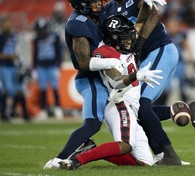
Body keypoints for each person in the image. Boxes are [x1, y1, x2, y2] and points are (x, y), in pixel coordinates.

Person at [101, 0, 195, 165]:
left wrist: (139, 43)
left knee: (140, 104)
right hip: (146, 58)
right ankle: (183, 113)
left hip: (160, 49)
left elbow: (153, 12)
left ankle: (169, 155)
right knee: (135, 106)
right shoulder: (109, 9)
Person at [59, 14, 163, 170]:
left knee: (144, 163)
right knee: (125, 145)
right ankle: (78, 160)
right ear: (113, 38)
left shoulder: (123, 45)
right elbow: (117, 80)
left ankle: (91, 149)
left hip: (131, 108)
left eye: (129, 36)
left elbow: (141, 23)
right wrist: (136, 75)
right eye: (124, 38)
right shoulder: (106, 53)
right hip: (120, 103)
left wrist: (148, 6)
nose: (129, 40)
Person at [43, 0, 122, 169]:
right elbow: (83, 62)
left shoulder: (97, 15)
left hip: (104, 77)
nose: (99, 4)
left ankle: (85, 146)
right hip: (91, 79)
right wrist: (111, 61)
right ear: (82, 4)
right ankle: (59, 159)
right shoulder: (78, 24)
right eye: (94, 1)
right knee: (93, 124)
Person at [32, 17, 63, 120]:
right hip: (41, 67)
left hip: (52, 66)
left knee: (55, 88)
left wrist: (58, 66)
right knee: (43, 89)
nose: (42, 32)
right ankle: (43, 110)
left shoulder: (54, 37)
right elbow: (35, 54)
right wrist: (34, 68)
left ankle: (58, 108)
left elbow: (58, 52)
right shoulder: (37, 40)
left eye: (43, 29)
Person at [0, 15, 30, 122]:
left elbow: (20, 51)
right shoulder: (1, 37)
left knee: (19, 90)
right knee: (6, 90)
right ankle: (4, 114)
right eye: (6, 23)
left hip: (14, 66)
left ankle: (23, 114)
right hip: (4, 66)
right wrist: (9, 56)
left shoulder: (14, 36)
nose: (8, 25)